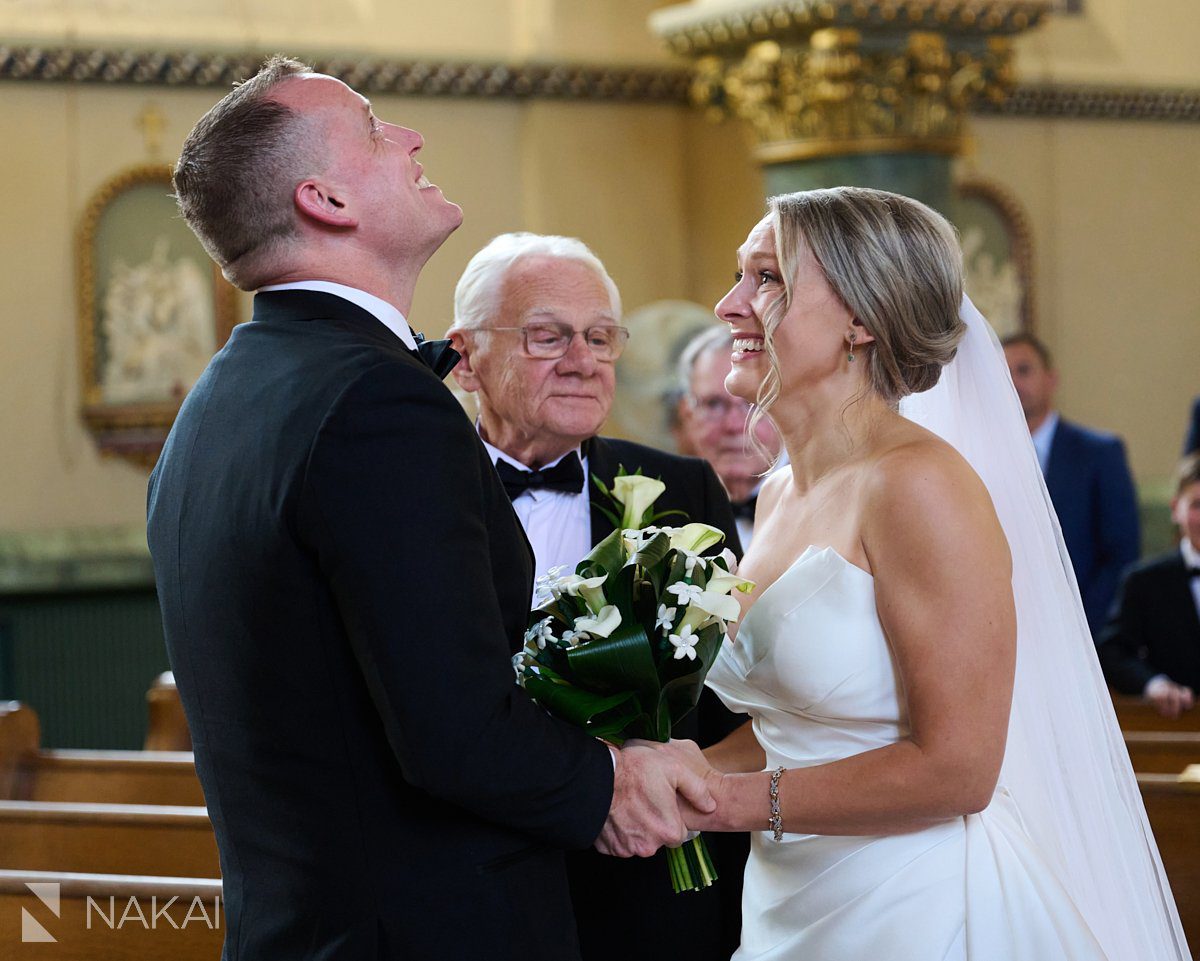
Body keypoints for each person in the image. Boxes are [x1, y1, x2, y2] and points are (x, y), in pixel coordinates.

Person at [147, 57, 711, 961]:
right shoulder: (379, 402)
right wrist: (614, 776)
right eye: (375, 130)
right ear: (324, 199)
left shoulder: (219, 399)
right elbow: (455, 733)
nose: (411, 137)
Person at [660, 187, 1188, 960]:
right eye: (741, 275)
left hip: (917, 905)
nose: (729, 303)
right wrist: (680, 770)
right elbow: (795, 726)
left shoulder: (920, 486)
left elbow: (958, 768)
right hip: (789, 896)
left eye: (767, 278)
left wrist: (722, 802)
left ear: (862, 319)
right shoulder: (778, 491)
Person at [447, 231, 747, 961]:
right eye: (548, 336)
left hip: (657, 889)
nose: (582, 361)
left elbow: (734, 697)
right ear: (465, 359)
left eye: (600, 337)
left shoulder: (684, 489)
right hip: (477, 886)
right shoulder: (421, 499)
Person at [1002, 332, 1140, 635]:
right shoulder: (985, 456)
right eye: (1003, 372)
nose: (1013, 382)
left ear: (1051, 379)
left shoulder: (1100, 452)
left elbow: (1122, 553)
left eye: (1023, 370)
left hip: (1086, 629)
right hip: (1009, 630)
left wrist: (1081, 628)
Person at [1098, 453, 1200, 717]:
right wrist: (1154, 684)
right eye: (1196, 505)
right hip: (1171, 726)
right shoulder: (1143, 581)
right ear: (1175, 508)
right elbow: (1113, 651)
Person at [673, 325, 783, 548]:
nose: (733, 425)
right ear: (687, 414)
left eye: (753, 403)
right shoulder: (666, 506)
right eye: (714, 404)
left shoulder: (825, 502)